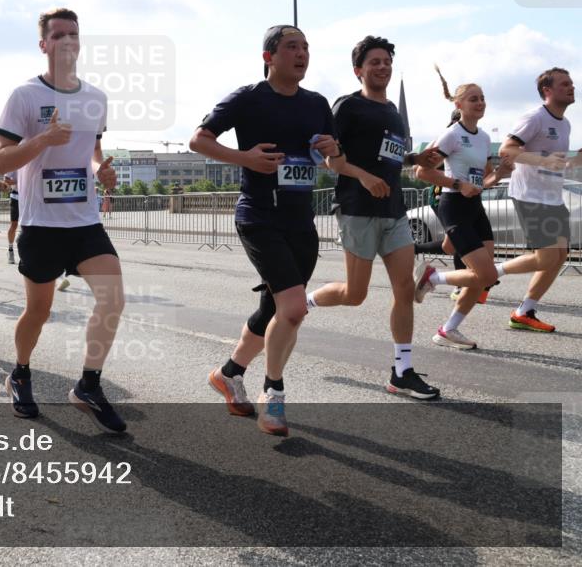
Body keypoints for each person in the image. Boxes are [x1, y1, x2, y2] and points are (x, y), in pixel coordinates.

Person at [189, 24, 346, 436]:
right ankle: (272, 394)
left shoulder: (317, 103)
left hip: (300, 222)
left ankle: (228, 373)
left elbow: (332, 160)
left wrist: (333, 154)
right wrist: (244, 158)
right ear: (269, 57)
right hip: (259, 216)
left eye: (306, 47)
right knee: (293, 308)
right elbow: (199, 140)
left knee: (276, 309)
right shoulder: (248, 98)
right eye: (292, 47)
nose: (302, 53)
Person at [0, 7, 126, 433]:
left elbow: (93, 150)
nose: (67, 41)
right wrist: (43, 139)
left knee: (114, 299)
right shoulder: (25, 96)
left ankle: (88, 385)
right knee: (39, 311)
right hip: (41, 224)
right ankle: (20, 372)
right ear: (44, 44)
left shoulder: (96, 98)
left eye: (74, 34)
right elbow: (1, 161)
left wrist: (102, 168)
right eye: (59, 35)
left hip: (84, 222)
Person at [305, 36, 442, 396]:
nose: (382, 67)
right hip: (357, 208)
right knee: (355, 294)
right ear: (359, 70)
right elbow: (328, 158)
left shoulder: (393, 113)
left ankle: (403, 370)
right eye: (374, 62)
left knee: (404, 288)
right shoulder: (347, 107)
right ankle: (302, 303)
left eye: (386, 62)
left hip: (394, 210)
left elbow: (393, 159)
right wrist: (364, 177)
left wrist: (416, 161)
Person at [413, 68, 512, 349]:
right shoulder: (451, 135)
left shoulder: (482, 138)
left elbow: (486, 180)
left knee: (483, 279)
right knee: (487, 274)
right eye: (473, 99)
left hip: (475, 206)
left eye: (482, 98)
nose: (480, 103)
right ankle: (434, 278)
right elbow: (422, 172)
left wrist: (501, 173)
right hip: (453, 205)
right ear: (459, 105)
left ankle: (448, 329)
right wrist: (458, 184)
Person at [495, 68, 577, 332]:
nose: (572, 87)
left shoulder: (565, 123)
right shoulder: (535, 117)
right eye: (565, 84)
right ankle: (488, 274)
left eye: (572, 83)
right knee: (546, 257)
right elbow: (506, 150)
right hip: (530, 195)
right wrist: (543, 161)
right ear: (547, 91)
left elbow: (561, 163)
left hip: (552, 197)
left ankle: (524, 311)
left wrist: (573, 162)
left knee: (560, 255)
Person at [4, 172, 19, 264]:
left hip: (28, 197)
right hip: (16, 197)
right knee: (14, 224)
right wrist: (19, 180)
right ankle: (10, 249)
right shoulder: (15, 162)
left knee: (29, 225)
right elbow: (6, 180)